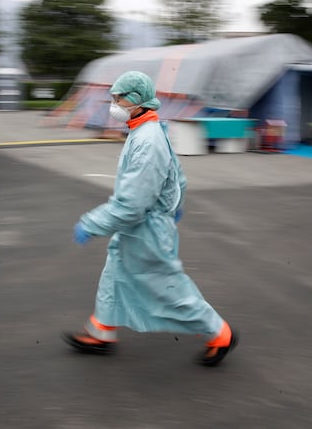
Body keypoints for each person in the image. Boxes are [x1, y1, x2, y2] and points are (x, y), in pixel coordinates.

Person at [62, 70, 238, 367]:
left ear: (135, 100)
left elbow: (132, 204)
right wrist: (175, 201)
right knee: (115, 275)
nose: (113, 104)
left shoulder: (147, 140)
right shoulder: (149, 130)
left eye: (117, 98)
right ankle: (101, 332)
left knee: (166, 287)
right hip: (142, 228)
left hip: (146, 231)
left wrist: (92, 223)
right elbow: (176, 175)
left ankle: (220, 333)